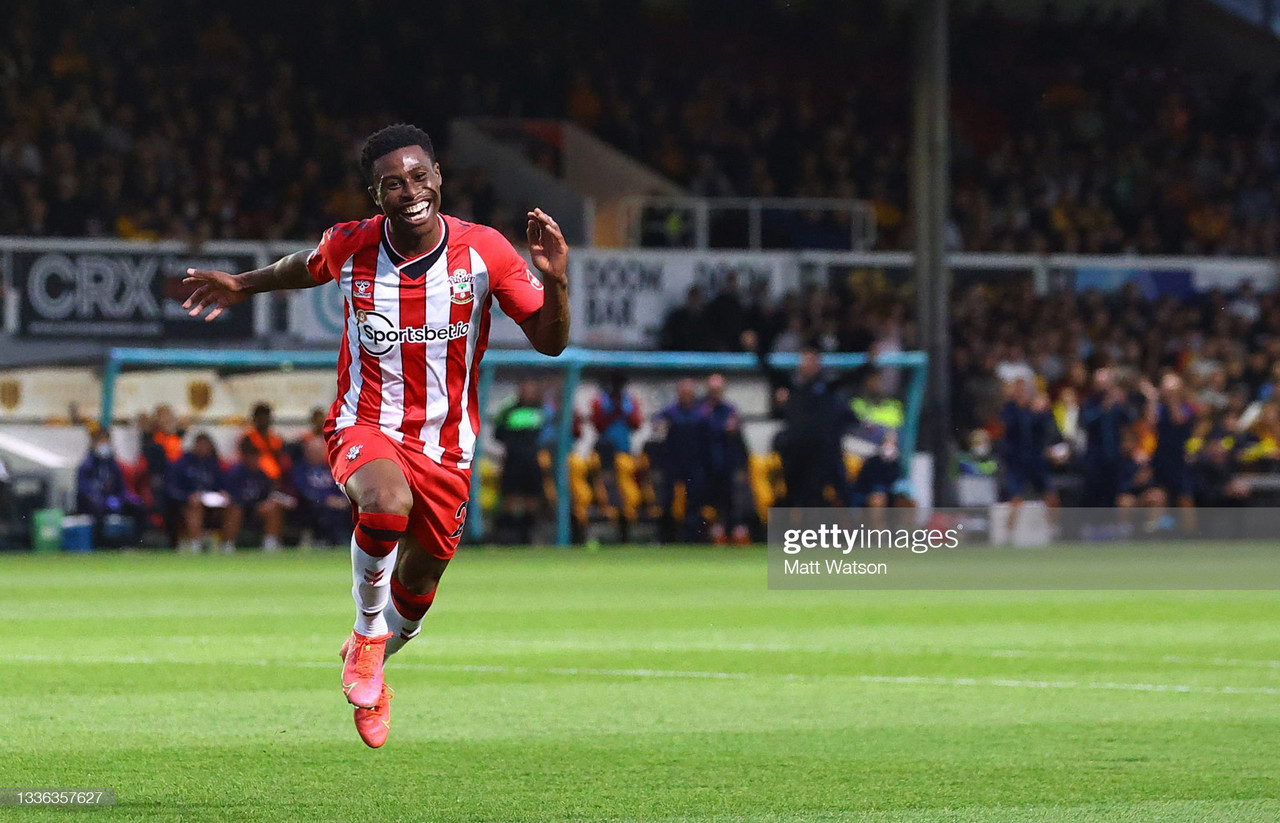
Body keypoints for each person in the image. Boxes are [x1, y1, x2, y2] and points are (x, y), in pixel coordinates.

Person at [183, 124, 569, 748]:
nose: (410, 191)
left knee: (416, 598)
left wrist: (555, 279)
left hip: (448, 444)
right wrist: (243, 284)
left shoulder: (487, 252)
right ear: (375, 193)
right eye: (393, 183)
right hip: (364, 424)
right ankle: (365, 634)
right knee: (386, 502)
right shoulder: (352, 245)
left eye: (419, 176)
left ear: (439, 177)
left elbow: (551, 343)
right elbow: (303, 267)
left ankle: (376, 660)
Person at [652, 378, 712, 541]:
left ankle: (692, 536)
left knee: (694, 501)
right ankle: (667, 536)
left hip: (695, 464)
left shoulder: (701, 414)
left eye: (689, 393)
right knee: (668, 500)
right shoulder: (669, 413)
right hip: (673, 463)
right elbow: (657, 431)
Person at [492, 380, 548, 544]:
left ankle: (528, 535)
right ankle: (507, 536)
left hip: (532, 459)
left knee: (533, 498)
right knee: (510, 497)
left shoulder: (540, 409)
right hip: (513, 460)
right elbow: (498, 432)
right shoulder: (509, 410)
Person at [75, 429, 146, 548]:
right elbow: (84, 489)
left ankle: (133, 543)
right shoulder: (87, 465)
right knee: (98, 511)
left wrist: (124, 499)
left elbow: (121, 487)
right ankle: (100, 544)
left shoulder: (113, 465)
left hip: (112, 500)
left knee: (138, 508)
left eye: (106, 441)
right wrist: (101, 500)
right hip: (93, 503)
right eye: (101, 441)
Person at [701, 374, 750, 543]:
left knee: (734, 502)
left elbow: (740, 441)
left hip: (728, 465)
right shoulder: (701, 411)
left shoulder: (729, 410)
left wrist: (743, 465)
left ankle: (736, 533)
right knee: (712, 504)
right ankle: (715, 535)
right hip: (707, 466)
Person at [165, 433, 230, 554]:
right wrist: (187, 497)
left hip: (212, 503)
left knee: (231, 507)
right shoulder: (182, 463)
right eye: (200, 444)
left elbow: (222, 483)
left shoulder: (214, 464)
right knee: (195, 507)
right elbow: (172, 488)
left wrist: (224, 493)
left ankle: (227, 544)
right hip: (187, 504)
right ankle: (196, 544)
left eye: (206, 445)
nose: (203, 448)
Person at [223, 440, 286, 553]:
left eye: (256, 456)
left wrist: (266, 503)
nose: (254, 459)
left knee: (273, 508)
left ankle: (269, 543)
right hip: (239, 507)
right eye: (251, 456)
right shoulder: (235, 473)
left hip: (256, 508)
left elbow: (267, 494)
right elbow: (231, 496)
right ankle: (228, 544)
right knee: (235, 510)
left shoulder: (262, 474)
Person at [291, 436, 351, 548]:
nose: (317, 454)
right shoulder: (300, 469)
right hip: (311, 504)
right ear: (306, 452)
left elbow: (340, 485)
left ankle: (344, 539)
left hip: (336, 502)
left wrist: (343, 499)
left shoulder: (331, 467)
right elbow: (302, 489)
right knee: (321, 509)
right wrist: (325, 499)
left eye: (319, 451)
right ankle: (321, 539)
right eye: (313, 451)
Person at [240, 402, 290, 485]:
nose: (263, 421)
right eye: (260, 418)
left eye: (266, 417)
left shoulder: (276, 439)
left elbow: (281, 458)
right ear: (255, 419)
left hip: (276, 478)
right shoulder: (248, 439)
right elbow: (247, 462)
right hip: (255, 478)